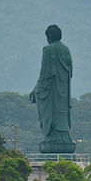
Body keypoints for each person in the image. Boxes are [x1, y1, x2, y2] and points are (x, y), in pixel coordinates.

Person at [30, 24, 75, 153]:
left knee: (51, 113)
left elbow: (44, 74)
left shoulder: (48, 50)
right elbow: (70, 73)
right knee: (62, 114)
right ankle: (63, 137)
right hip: (63, 92)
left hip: (52, 92)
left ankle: (53, 137)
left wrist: (36, 89)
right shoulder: (66, 50)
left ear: (49, 36)